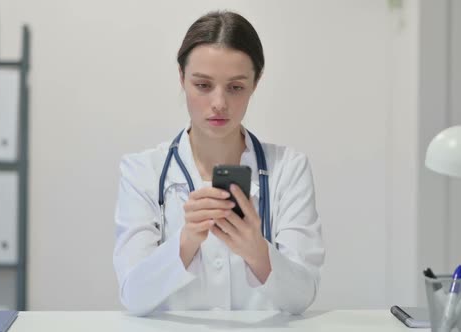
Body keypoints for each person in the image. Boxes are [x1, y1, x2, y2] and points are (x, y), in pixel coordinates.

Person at [113, 10, 325, 316]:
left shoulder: (288, 169)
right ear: (182, 78)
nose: (219, 103)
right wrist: (186, 242)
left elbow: (301, 298)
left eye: (236, 87)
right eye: (203, 85)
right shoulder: (142, 171)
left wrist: (257, 252)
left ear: (256, 83)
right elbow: (134, 297)